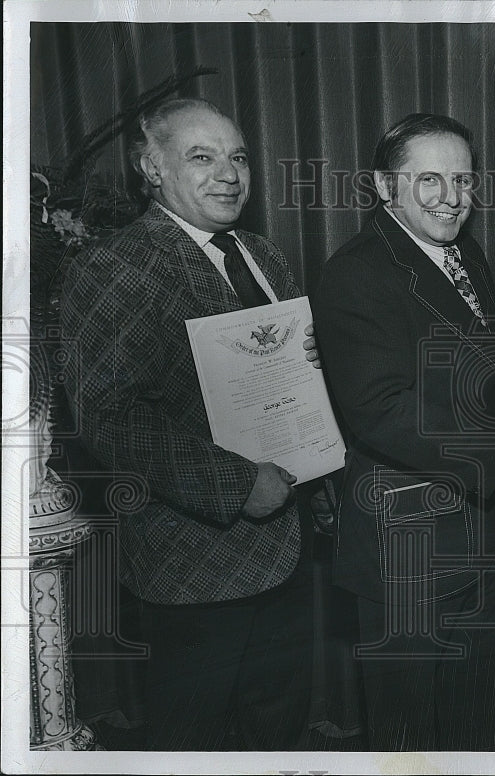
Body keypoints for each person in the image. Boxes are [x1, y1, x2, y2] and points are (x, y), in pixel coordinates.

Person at [311, 113, 495, 750]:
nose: (452, 197)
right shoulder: (357, 271)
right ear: (384, 186)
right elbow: (380, 408)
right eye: (429, 180)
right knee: (409, 732)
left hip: (479, 530)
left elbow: (466, 367)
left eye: (463, 179)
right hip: (407, 547)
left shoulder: (461, 251)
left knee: (470, 717)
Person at [60, 97, 317, 751]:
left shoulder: (263, 255)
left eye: (237, 157)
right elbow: (110, 417)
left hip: (290, 547)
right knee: (192, 744)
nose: (227, 174)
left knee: (278, 729)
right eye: (201, 157)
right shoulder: (114, 268)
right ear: (151, 167)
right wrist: (236, 485)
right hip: (195, 563)